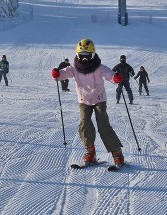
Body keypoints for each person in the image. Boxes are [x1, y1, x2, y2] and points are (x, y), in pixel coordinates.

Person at [51, 38, 125, 167]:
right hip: (84, 100)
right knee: (85, 124)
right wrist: (57, 74)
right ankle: (90, 152)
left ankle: (117, 153)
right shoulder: (75, 68)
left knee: (103, 126)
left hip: (99, 100)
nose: (84, 59)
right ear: (77, 55)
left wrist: (115, 77)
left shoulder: (99, 67)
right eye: (81, 56)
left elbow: (109, 75)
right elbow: (64, 73)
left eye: (87, 56)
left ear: (93, 54)